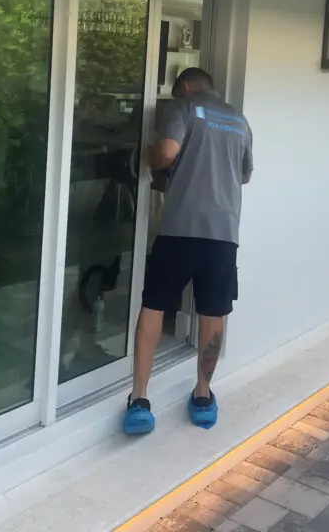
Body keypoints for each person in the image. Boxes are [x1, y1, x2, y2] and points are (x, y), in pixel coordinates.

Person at [123, 68, 253, 434]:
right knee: (213, 313)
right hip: (223, 234)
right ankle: (202, 394)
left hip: (180, 229)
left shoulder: (183, 108)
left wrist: (148, 155)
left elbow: (166, 151)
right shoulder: (239, 120)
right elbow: (246, 175)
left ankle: (140, 399)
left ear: (183, 87)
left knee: (155, 305)